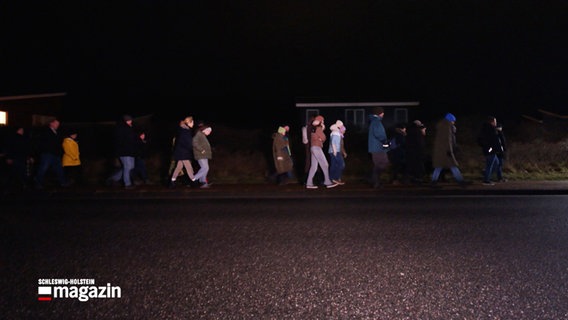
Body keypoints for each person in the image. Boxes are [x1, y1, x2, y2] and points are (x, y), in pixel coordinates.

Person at [430, 113, 469, 187]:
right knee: (452, 165)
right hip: (446, 151)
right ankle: (460, 181)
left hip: (441, 151)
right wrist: (450, 150)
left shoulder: (442, 126)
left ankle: (434, 181)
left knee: (440, 166)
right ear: (451, 120)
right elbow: (448, 140)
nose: (454, 122)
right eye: (453, 121)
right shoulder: (447, 127)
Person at [33, 118, 69, 189]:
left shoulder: (56, 132)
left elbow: (58, 143)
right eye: (56, 123)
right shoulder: (45, 132)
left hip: (55, 153)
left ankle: (63, 182)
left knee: (59, 169)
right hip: (48, 154)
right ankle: (38, 183)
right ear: (51, 124)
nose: (57, 125)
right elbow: (42, 143)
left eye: (58, 124)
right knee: (43, 168)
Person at [305, 115, 338, 189]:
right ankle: (327, 182)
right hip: (317, 148)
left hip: (313, 148)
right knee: (325, 164)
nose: (323, 122)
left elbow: (316, 137)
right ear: (320, 121)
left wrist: (320, 136)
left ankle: (309, 183)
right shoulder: (318, 128)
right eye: (322, 120)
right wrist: (321, 136)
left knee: (314, 167)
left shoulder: (313, 128)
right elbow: (323, 137)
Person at [106, 114, 139, 189]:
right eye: (128, 120)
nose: (130, 121)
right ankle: (127, 184)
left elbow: (133, 138)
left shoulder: (130, 128)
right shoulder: (121, 128)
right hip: (124, 151)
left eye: (130, 120)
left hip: (131, 151)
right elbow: (120, 140)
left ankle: (113, 178)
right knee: (127, 167)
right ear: (125, 121)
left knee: (130, 167)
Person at [169, 116, 196, 188]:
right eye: (192, 122)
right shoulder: (185, 131)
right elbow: (187, 142)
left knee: (179, 167)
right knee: (188, 167)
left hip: (181, 152)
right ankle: (193, 181)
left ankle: (172, 181)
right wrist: (192, 148)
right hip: (183, 152)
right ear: (189, 122)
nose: (193, 123)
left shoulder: (183, 130)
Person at [3, 126, 33, 191]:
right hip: (18, 157)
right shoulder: (16, 138)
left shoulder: (20, 138)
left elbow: (26, 149)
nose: (22, 131)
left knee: (18, 171)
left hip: (18, 157)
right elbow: (10, 148)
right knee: (19, 171)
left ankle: (20, 184)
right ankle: (21, 184)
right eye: (21, 130)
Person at [477, 116, 504, 185]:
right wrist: (493, 148)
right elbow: (494, 140)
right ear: (492, 122)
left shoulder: (486, 129)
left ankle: (486, 175)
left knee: (496, 164)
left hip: (491, 150)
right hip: (490, 150)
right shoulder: (490, 129)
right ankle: (486, 180)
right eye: (495, 122)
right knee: (490, 165)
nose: (496, 123)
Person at [367, 106, 390, 189]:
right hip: (378, 147)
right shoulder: (376, 122)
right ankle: (375, 181)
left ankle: (375, 181)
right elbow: (379, 134)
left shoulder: (374, 121)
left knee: (380, 164)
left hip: (376, 147)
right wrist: (385, 141)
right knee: (382, 164)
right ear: (380, 113)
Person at [405, 120, 428, 184]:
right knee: (419, 166)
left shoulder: (409, 131)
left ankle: (413, 178)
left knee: (413, 166)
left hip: (411, 152)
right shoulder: (418, 132)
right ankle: (419, 179)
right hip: (418, 152)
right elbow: (420, 143)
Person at [192, 123, 213, 188]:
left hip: (204, 155)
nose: (209, 133)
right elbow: (194, 142)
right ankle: (194, 179)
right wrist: (201, 150)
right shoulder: (199, 134)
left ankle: (203, 182)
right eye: (208, 131)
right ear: (204, 130)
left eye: (210, 131)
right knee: (205, 168)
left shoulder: (202, 135)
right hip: (200, 155)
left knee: (205, 168)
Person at [328, 121, 346, 185]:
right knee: (341, 164)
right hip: (335, 151)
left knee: (334, 165)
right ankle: (336, 178)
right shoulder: (336, 133)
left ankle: (332, 178)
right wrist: (335, 151)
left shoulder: (335, 133)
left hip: (332, 151)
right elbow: (333, 142)